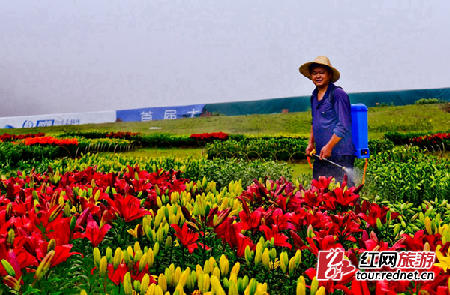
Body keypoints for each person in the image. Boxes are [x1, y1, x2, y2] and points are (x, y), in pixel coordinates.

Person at [299, 56, 356, 187]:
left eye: (321, 72)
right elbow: (315, 121)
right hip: (321, 154)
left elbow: (344, 125)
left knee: (343, 194)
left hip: (340, 154)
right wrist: (311, 143)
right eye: (314, 73)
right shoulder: (314, 97)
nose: (317, 76)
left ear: (329, 74)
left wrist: (329, 145)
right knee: (319, 193)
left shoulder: (338, 94)